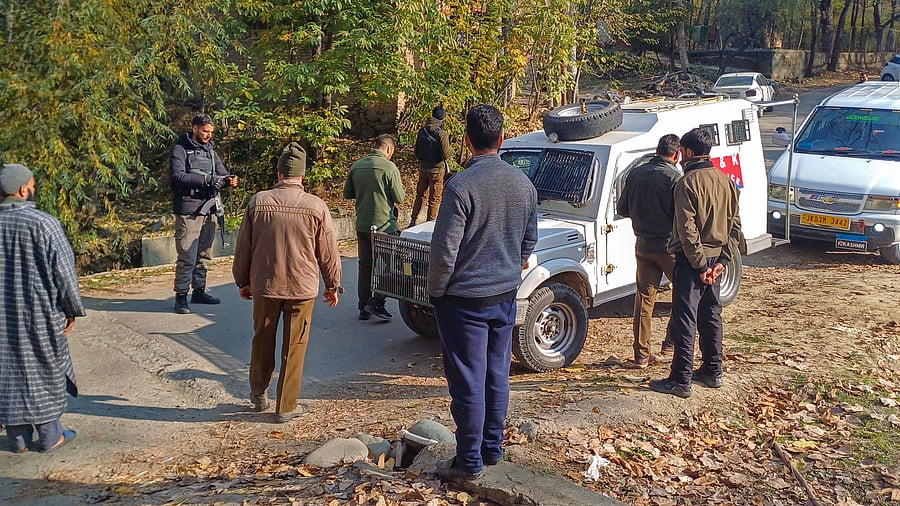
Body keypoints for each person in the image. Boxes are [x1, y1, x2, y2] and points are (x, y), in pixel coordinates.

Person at [427, 105, 538, 479]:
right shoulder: (524, 185)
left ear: (467, 140)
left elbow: (445, 251)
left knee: (468, 381)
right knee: (496, 375)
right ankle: (492, 449)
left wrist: (437, 293)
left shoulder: (460, 186)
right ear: (502, 139)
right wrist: (509, 270)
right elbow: (529, 241)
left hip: (463, 302)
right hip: (504, 296)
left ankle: (469, 461)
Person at [232, 142, 342, 423]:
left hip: (265, 285)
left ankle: (258, 394)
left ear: (279, 173)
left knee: (262, 340)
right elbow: (327, 251)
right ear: (302, 176)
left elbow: (243, 246)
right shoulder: (316, 206)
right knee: (295, 346)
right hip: (301, 289)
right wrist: (333, 284)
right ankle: (285, 406)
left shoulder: (258, 201)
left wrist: (242, 280)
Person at [650, 128, 742, 399]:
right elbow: (735, 225)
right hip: (716, 259)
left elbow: (687, 230)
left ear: (688, 153)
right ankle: (713, 370)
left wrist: (700, 267)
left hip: (694, 261)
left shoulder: (687, 183)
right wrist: (722, 261)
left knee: (686, 317)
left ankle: (681, 378)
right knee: (712, 314)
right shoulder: (726, 180)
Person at [0, 163, 85, 453]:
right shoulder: (43, 223)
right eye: (32, 185)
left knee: (6, 370)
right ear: (23, 189)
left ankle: (18, 439)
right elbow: (64, 273)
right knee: (43, 367)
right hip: (40, 313)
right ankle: (50, 436)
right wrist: (71, 308)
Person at [616, 134, 681, 368]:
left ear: (656, 150)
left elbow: (622, 209)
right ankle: (671, 345)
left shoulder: (635, 173)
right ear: (677, 155)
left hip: (643, 244)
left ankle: (641, 355)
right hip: (669, 248)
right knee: (682, 295)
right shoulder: (675, 177)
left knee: (644, 300)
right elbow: (681, 217)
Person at [170, 113, 239, 314]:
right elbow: (178, 176)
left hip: (210, 209)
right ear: (195, 128)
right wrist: (207, 180)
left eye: (211, 132)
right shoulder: (180, 149)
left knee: (204, 253)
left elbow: (222, 172)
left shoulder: (210, 151)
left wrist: (229, 180)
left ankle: (199, 290)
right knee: (187, 255)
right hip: (189, 210)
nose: (208, 135)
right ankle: (181, 296)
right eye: (205, 131)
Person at [343, 134, 405, 321]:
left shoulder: (357, 165)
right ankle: (377, 301)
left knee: (365, 265)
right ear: (389, 149)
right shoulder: (389, 168)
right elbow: (399, 197)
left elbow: (348, 194)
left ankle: (363, 307)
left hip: (362, 224)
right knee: (391, 264)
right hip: (385, 225)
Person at [409, 106, 453, 227]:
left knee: (420, 195)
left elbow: (416, 150)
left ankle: (413, 220)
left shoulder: (422, 130)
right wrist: (451, 150)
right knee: (435, 198)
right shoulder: (442, 133)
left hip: (423, 168)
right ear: (443, 119)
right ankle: (429, 223)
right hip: (437, 170)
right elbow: (445, 155)